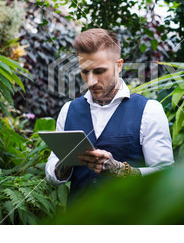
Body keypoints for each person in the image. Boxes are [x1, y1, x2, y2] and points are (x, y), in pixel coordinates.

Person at [45, 28, 174, 201]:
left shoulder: (149, 110)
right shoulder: (68, 110)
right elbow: (52, 175)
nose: (91, 82)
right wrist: (65, 163)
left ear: (118, 65)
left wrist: (121, 171)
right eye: (84, 72)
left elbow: (164, 175)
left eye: (99, 71)